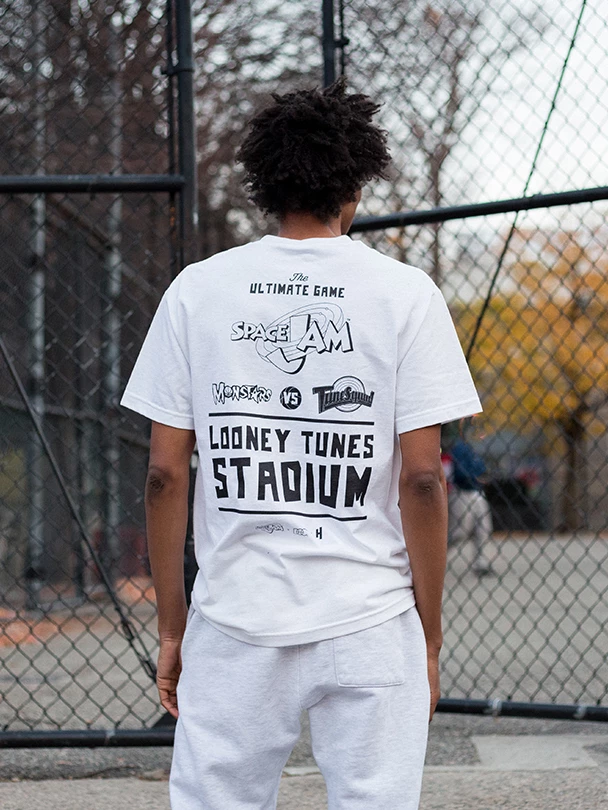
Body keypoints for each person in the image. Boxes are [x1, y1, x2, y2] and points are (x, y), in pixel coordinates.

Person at [119, 77, 482, 810]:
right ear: (355, 185)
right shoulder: (406, 294)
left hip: (236, 616)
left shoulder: (198, 290)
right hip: (371, 617)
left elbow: (165, 473)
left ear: (264, 184)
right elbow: (421, 479)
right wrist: (429, 635)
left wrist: (173, 628)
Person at [449, 435, 494, 575]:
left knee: (484, 528)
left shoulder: (471, 447)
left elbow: (481, 469)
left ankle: (481, 564)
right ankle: (433, 558)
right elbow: (459, 473)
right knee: (459, 532)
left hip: (477, 492)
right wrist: (475, 476)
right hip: (462, 492)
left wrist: (482, 475)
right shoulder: (458, 447)